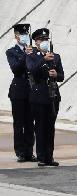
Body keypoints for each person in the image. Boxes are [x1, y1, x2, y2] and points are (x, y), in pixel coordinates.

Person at [26, 28, 64, 167]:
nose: (44, 42)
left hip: (53, 94)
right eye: (41, 40)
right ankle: (41, 156)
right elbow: (32, 70)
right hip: (39, 95)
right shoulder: (32, 56)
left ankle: (50, 156)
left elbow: (61, 76)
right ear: (36, 42)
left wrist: (56, 75)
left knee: (50, 127)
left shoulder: (56, 56)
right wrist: (43, 59)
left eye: (46, 40)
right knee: (40, 126)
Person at [5, 23, 36, 162]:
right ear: (16, 36)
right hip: (18, 90)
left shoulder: (33, 50)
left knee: (30, 122)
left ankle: (29, 151)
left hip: (32, 89)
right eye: (21, 34)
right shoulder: (11, 52)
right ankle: (20, 152)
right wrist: (25, 55)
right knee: (19, 123)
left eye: (26, 34)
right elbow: (16, 69)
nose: (24, 36)